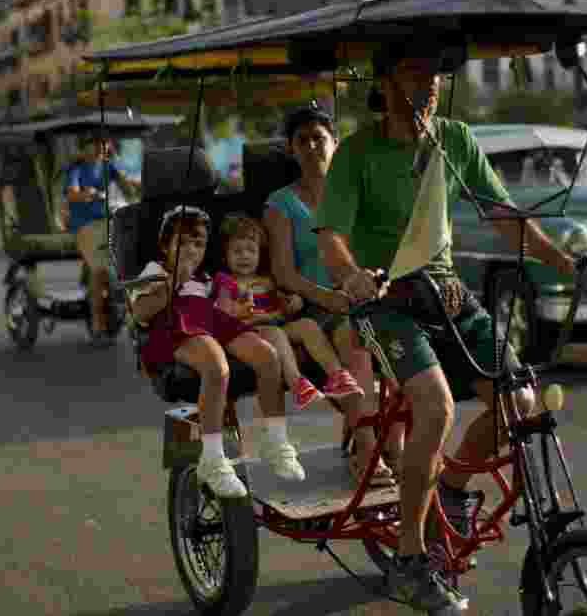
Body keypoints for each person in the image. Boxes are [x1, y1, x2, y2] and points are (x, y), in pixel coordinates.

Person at [315, 44, 587, 611]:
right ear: (387, 82)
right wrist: (350, 275)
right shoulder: (357, 152)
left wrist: (565, 264)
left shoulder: (455, 140)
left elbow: (505, 219)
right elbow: (330, 236)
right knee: (438, 406)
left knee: (520, 402)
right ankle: (410, 559)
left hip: (447, 294)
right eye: (413, 67)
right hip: (386, 301)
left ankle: (447, 489)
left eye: (435, 74)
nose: (427, 82)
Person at [263, 105, 401, 487]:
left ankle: (396, 445)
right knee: (355, 341)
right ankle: (367, 450)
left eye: (319, 138)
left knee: (405, 340)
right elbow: (284, 273)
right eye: (302, 140)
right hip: (311, 306)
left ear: (335, 144)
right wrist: (329, 297)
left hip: (361, 299)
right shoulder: (281, 203)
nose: (311, 146)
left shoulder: (355, 196)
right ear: (291, 149)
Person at [130, 205, 306, 499]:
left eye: (198, 244)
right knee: (216, 366)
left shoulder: (206, 280)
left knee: (267, 356)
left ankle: (276, 441)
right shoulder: (155, 271)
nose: (191, 250)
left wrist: (241, 310)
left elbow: (221, 312)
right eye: (183, 242)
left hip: (212, 321)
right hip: (177, 327)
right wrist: (173, 282)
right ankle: (212, 458)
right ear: (165, 245)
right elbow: (140, 311)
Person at [212, 213, 364, 411]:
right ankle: (297, 383)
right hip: (249, 331)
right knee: (275, 333)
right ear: (225, 255)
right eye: (237, 251)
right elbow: (222, 313)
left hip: (276, 324)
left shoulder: (267, 280)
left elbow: (280, 309)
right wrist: (240, 311)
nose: (245, 256)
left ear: (260, 253)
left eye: (251, 250)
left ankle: (337, 375)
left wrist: (293, 304)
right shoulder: (226, 281)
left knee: (308, 325)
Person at [65, 137, 130, 346]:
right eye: (96, 142)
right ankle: (98, 326)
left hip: (109, 221)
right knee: (99, 271)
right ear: (84, 147)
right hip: (86, 226)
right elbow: (72, 194)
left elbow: (127, 185)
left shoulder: (109, 167)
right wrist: (85, 194)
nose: (102, 147)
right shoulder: (76, 170)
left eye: (105, 142)